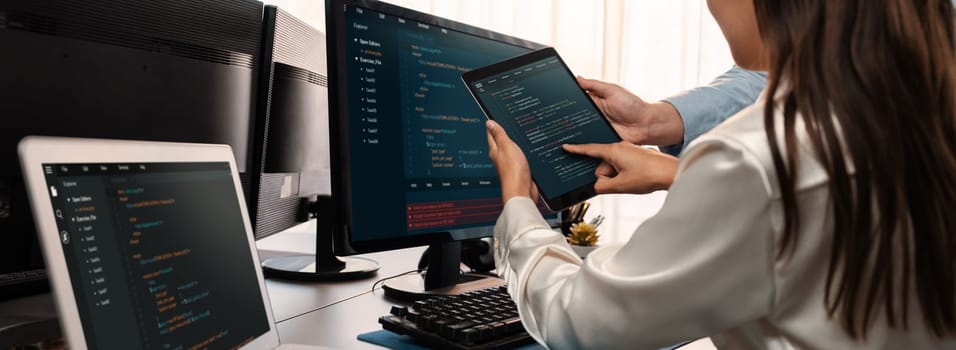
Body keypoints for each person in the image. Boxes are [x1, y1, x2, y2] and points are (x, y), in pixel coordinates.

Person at [485, 0, 956, 348]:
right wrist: (678, 169)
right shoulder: (919, 118)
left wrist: (517, 207)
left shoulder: (753, 157)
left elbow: (580, 325)